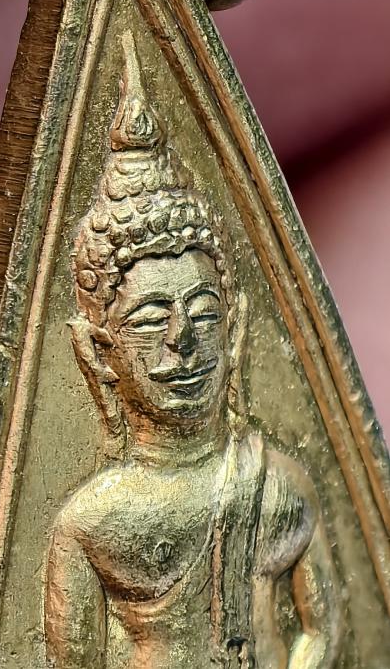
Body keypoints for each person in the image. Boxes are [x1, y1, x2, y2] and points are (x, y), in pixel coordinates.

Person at [44, 33, 342, 668]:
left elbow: (321, 628)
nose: (183, 339)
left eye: (203, 313)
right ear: (99, 352)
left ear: (233, 330)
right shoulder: (91, 523)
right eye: (151, 319)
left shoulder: (275, 486)